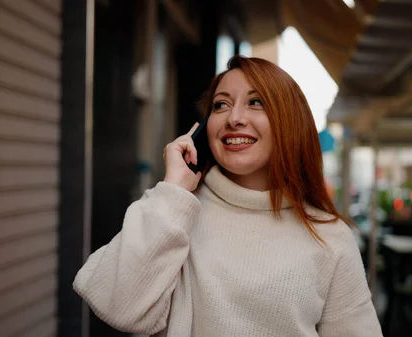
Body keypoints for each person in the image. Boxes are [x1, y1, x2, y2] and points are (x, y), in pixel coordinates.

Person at [73, 55, 382, 337]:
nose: (234, 118)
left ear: (290, 123)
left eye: (256, 102)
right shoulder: (173, 211)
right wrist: (174, 190)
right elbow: (119, 308)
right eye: (220, 105)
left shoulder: (330, 236)